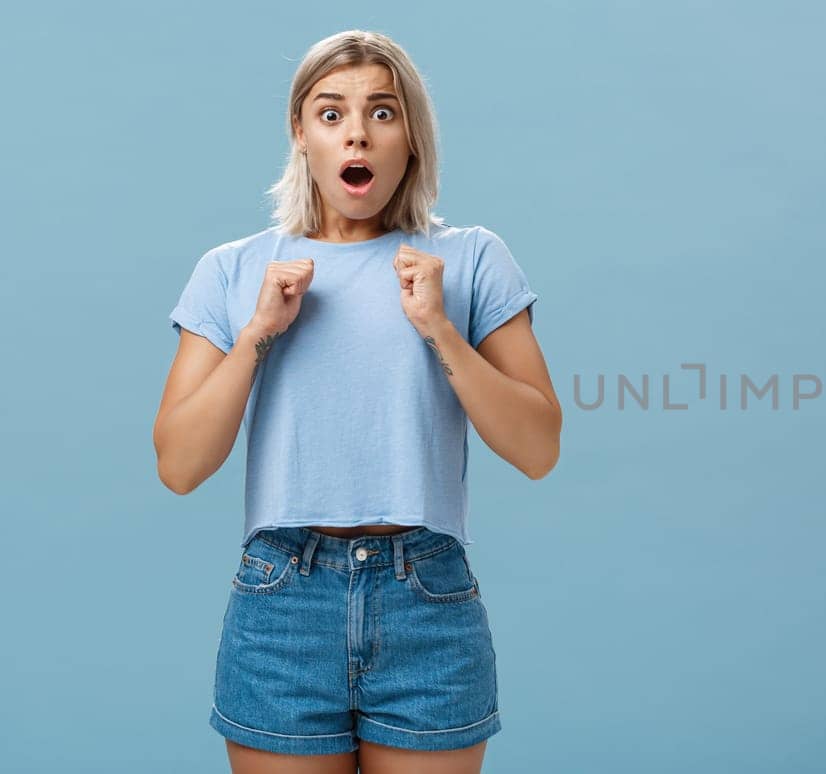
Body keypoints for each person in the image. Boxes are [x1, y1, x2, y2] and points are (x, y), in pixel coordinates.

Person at [152, 29, 561, 774]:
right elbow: (179, 465)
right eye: (331, 112)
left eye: (382, 111)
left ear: (411, 136)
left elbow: (538, 448)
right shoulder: (235, 271)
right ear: (300, 133)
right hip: (282, 603)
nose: (357, 132)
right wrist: (257, 337)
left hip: (426, 599)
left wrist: (438, 327)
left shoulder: (469, 260)